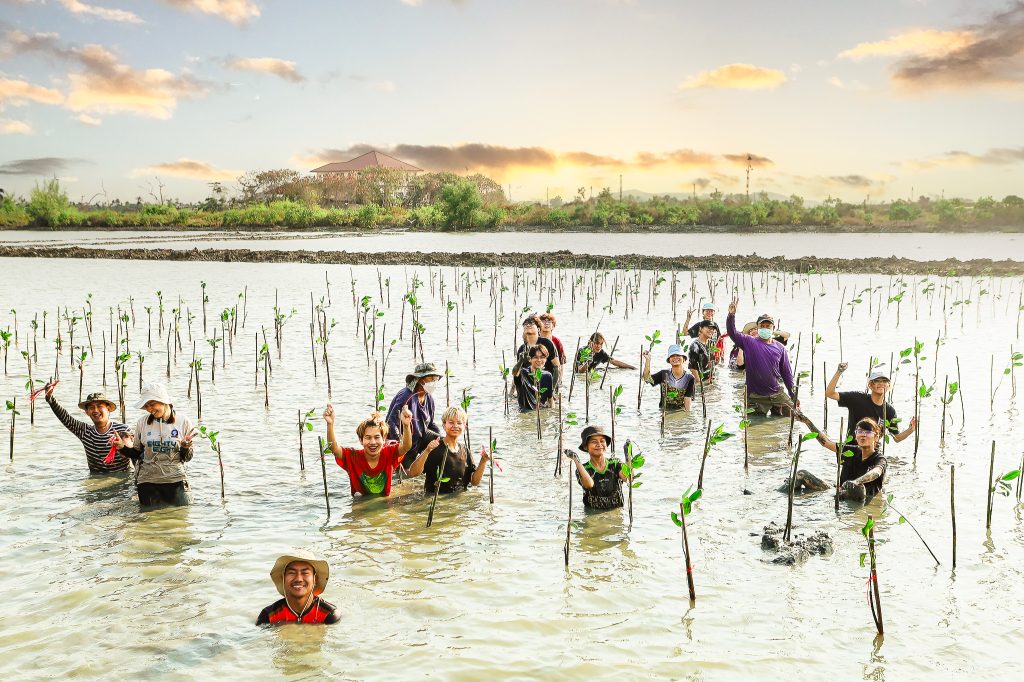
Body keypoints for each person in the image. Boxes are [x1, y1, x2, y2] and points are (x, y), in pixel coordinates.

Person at [113, 383, 198, 508]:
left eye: (152, 404)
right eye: (146, 406)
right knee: (149, 523)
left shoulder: (183, 421)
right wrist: (122, 447)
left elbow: (186, 458)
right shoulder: (142, 422)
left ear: (163, 401)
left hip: (175, 479)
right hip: (147, 481)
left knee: (181, 521)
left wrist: (186, 447)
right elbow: (136, 454)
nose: (149, 409)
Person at [790, 415, 888, 502]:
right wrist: (807, 421)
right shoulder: (849, 451)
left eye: (867, 432)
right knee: (801, 474)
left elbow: (876, 472)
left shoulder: (879, 459)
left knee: (858, 488)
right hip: (840, 493)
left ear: (876, 437)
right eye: (859, 431)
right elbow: (826, 443)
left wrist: (856, 482)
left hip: (861, 498)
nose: (863, 434)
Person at [726, 296, 797, 417]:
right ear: (757, 328)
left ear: (773, 329)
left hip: (776, 394)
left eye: (768, 326)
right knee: (754, 428)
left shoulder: (780, 347)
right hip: (755, 396)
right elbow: (732, 332)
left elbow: (786, 373)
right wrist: (731, 316)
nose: (765, 328)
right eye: (762, 326)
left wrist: (793, 394)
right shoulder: (749, 341)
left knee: (793, 416)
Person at [324, 405, 413, 497]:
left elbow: (406, 446)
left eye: (377, 437)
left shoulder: (389, 453)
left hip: (385, 504)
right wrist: (330, 424)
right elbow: (334, 448)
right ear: (361, 440)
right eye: (368, 438)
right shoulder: (353, 457)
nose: (373, 442)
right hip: (360, 504)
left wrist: (406, 425)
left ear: (384, 439)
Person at [43, 383, 132, 474]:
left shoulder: (123, 429)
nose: (96, 410)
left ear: (108, 408)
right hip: (96, 479)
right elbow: (65, 418)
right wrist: (50, 399)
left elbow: (136, 455)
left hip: (122, 479)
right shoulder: (85, 432)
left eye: (100, 406)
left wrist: (123, 447)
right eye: (91, 407)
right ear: (87, 412)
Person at [827, 364, 917, 443]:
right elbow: (830, 393)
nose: (881, 383)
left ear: (889, 386)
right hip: (852, 447)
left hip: (872, 452)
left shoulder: (889, 411)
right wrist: (839, 371)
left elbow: (896, 438)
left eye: (884, 381)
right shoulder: (858, 398)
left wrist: (911, 429)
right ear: (870, 385)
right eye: (877, 381)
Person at [408, 406, 489, 494]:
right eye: (451, 422)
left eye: (459, 423)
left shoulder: (465, 450)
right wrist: (427, 451)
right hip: (437, 501)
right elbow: (413, 473)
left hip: (458, 502)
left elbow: (474, 482)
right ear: (443, 425)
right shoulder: (435, 448)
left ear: (464, 426)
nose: (455, 426)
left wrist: (483, 461)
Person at [256, 551, 340, 625]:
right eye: (292, 573)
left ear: (315, 579)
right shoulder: (268, 616)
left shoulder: (329, 614)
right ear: (283, 578)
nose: (298, 579)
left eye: (305, 573)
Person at [385, 362, 441, 461]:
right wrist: (400, 445)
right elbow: (391, 422)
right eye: (431, 378)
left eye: (435, 379)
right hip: (406, 443)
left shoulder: (429, 398)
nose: (434, 381)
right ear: (420, 379)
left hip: (421, 438)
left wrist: (439, 438)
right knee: (406, 472)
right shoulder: (406, 396)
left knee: (443, 444)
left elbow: (431, 424)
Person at [565, 425, 626, 510]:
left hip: (616, 513)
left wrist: (628, 456)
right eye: (594, 442)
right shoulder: (583, 469)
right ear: (586, 446)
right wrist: (576, 459)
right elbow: (589, 484)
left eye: (602, 441)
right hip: (593, 515)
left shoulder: (615, 463)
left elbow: (628, 477)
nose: (599, 444)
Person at [642, 343, 694, 411]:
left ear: (684, 359)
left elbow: (687, 398)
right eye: (672, 356)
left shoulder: (689, 378)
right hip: (664, 411)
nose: (675, 357)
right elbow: (646, 379)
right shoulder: (663, 374)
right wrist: (648, 360)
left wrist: (688, 416)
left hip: (680, 411)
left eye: (678, 355)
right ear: (669, 360)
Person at [517, 317, 561, 386]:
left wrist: (552, 388)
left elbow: (557, 367)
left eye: (531, 324)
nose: (528, 325)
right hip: (530, 385)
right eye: (526, 324)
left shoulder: (547, 343)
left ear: (538, 329)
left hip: (548, 383)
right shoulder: (522, 349)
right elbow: (518, 373)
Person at [512, 345, 554, 412]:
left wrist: (552, 414)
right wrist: (520, 361)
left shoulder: (548, 376)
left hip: (541, 413)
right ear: (530, 359)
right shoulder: (523, 373)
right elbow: (514, 373)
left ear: (546, 359)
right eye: (535, 357)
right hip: (525, 413)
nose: (539, 360)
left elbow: (550, 399)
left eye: (542, 357)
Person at [688, 321, 716, 385]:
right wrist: (699, 383)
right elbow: (692, 367)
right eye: (708, 328)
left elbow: (712, 362)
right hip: (701, 382)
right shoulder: (695, 346)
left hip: (711, 380)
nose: (711, 330)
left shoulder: (711, 343)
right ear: (700, 328)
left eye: (712, 329)